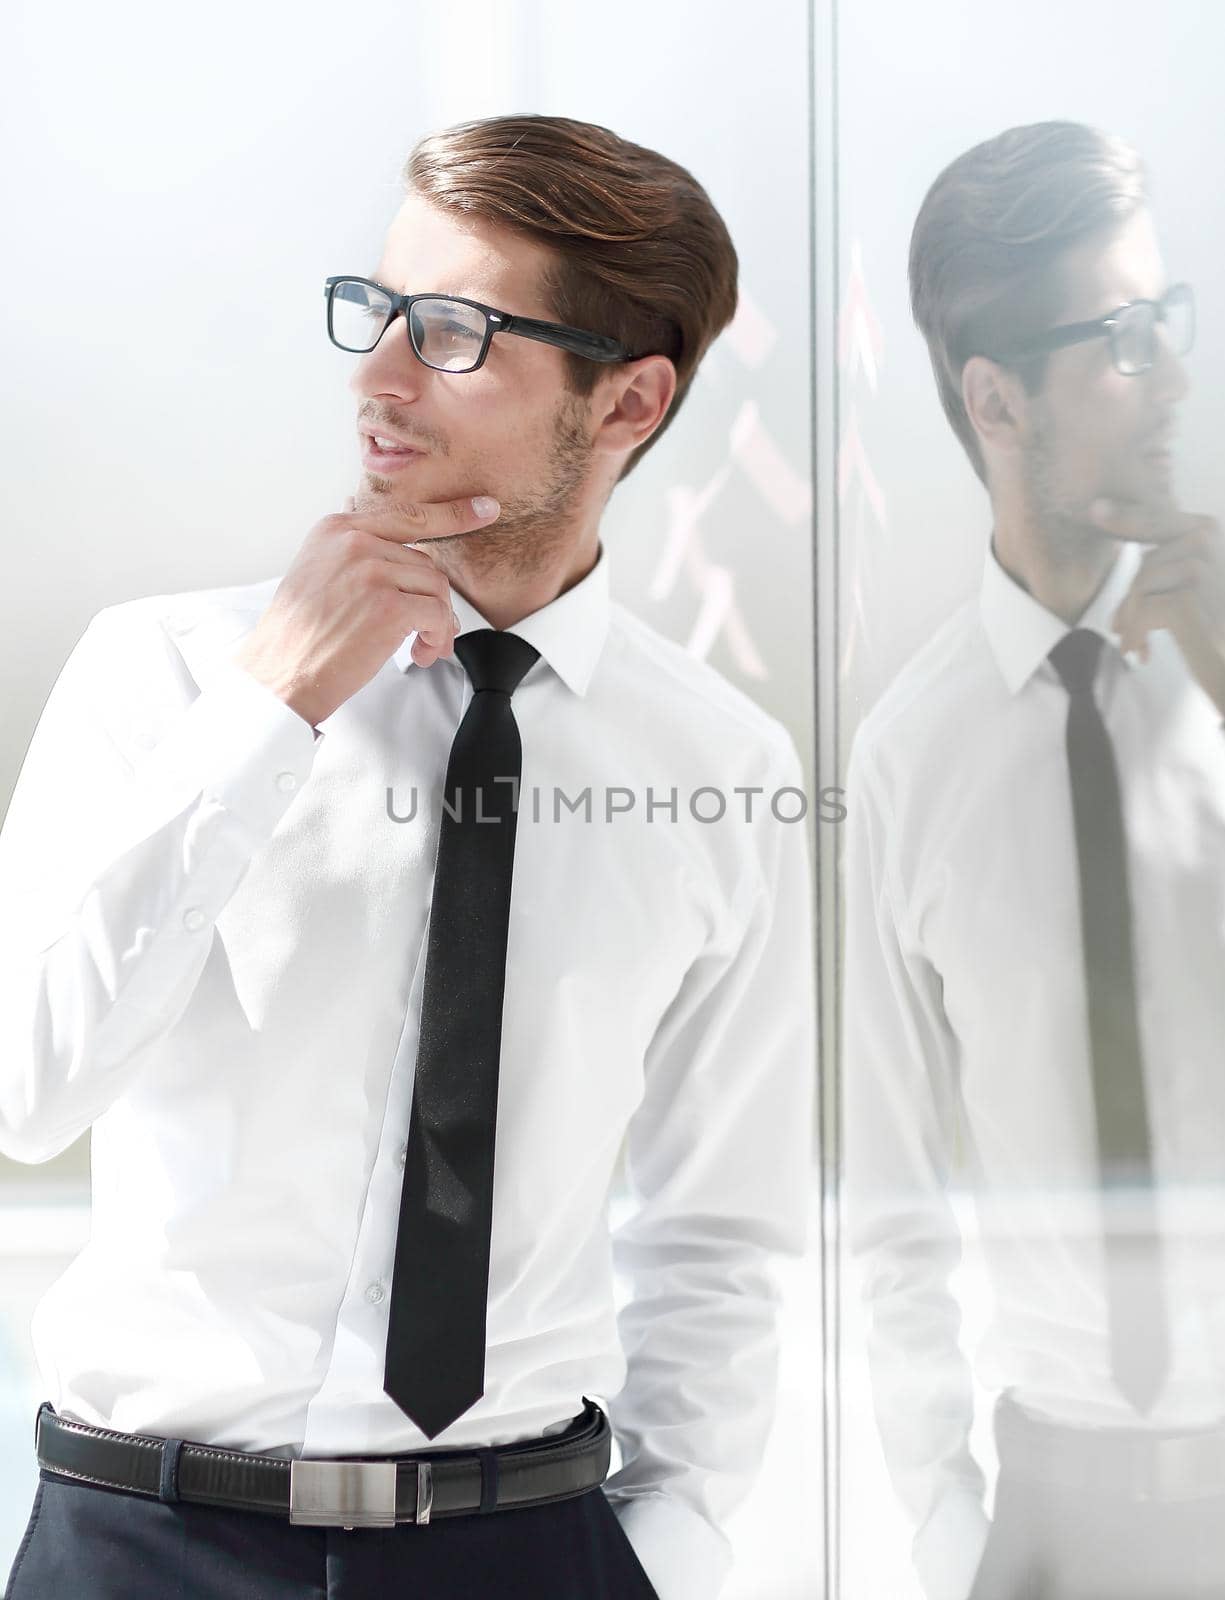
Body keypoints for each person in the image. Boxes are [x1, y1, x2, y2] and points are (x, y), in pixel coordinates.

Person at [0, 113, 815, 1600]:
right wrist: (270, 710)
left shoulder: (718, 768)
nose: (375, 377)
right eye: (377, 314)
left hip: (533, 1547)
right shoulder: (166, 678)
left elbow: (722, 1230)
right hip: (145, 1544)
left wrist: (666, 1550)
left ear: (625, 402)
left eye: (453, 334)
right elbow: (28, 1086)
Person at [842, 119, 1225, 1600]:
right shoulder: (909, 756)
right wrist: (955, 1535)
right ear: (992, 396)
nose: (1174, 374)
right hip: (1053, 1516)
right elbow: (892, 1199)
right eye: (1122, 340)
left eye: (1166, 321)